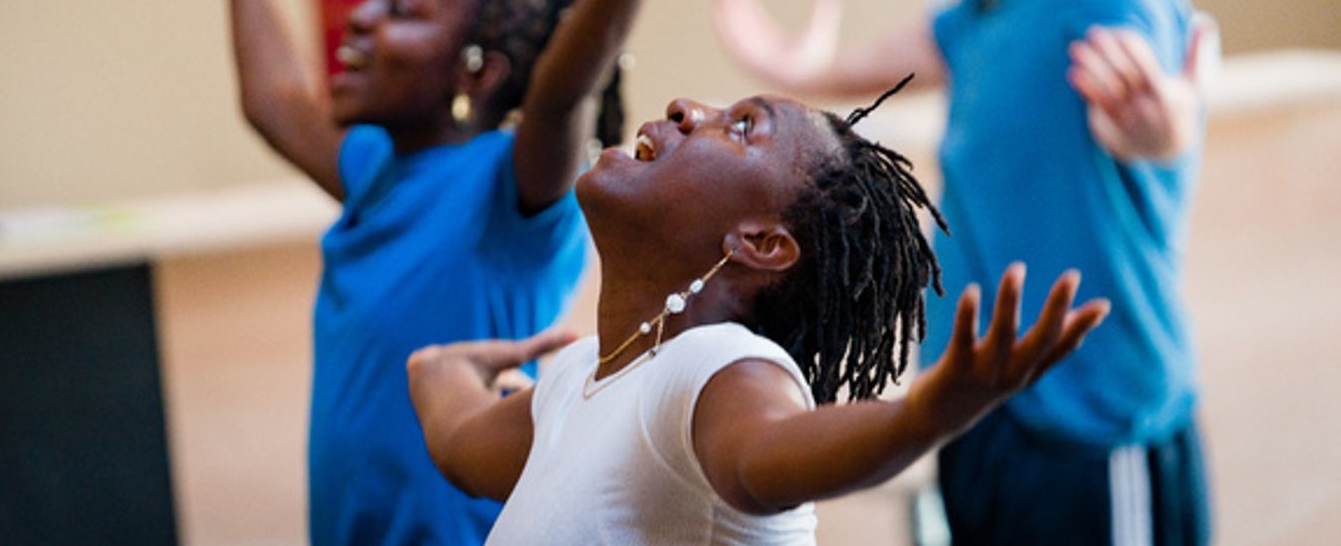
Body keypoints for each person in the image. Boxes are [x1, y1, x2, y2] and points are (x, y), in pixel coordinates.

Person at [208, 0, 724, 546]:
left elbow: (563, 91)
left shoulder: (509, 194)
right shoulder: (374, 169)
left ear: (475, 73)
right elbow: (272, 99)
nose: (362, 18)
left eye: (403, 10)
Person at [711, 0, 1211, 545]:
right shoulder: (989, 6)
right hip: (978, 412)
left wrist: (1160, 131)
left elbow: (1168, 106)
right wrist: (793, 68)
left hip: (1093, 429)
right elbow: (896, 52)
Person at [408, 82, 1111, 545]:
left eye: (741, 126)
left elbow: (766, 452)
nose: (686, 107)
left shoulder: (717, 370)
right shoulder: (575, 378)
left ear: (761, 242)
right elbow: (457, 438)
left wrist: (921, 417)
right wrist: (440, 363)